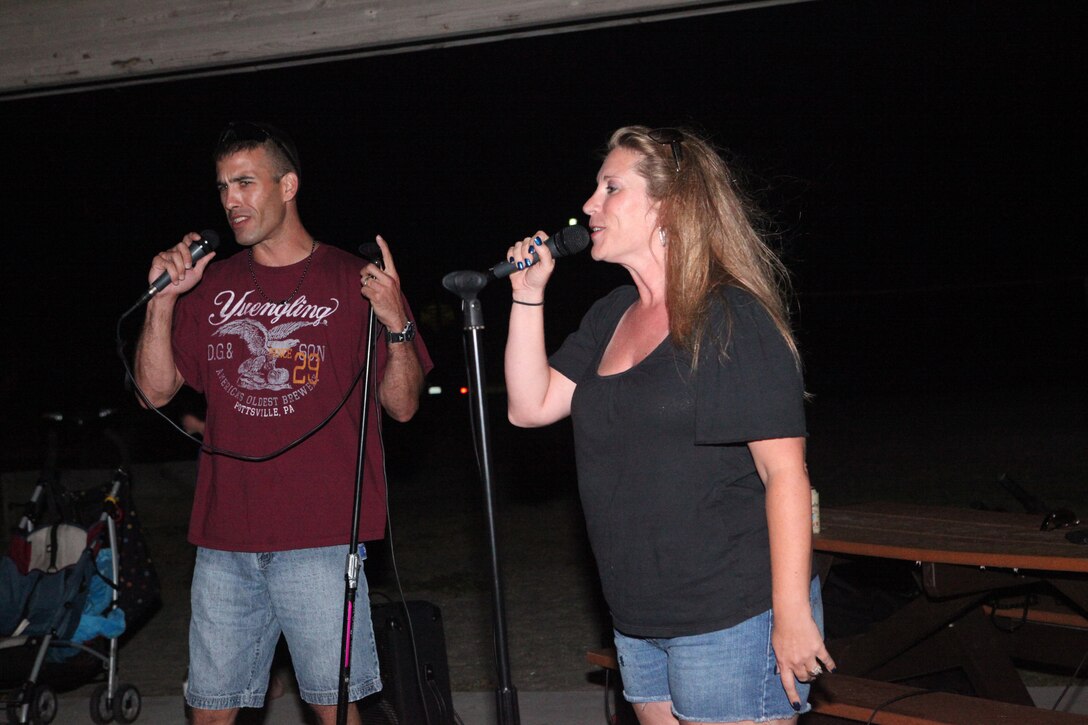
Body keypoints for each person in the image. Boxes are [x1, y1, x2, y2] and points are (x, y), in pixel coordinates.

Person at [503, 125, 832, 725]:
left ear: (670, 206)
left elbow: (784, 473)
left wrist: (791, 617)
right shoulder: (611, 315)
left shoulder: (730, 316)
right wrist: (528, 297)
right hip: (638, 618)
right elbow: (530, 406)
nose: (589, 205)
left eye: (611, 188)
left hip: (731, 612)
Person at [134, 121, 432, 725]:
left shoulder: (354, 281)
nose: (230, 200)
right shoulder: (209, 286)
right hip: (223, 538)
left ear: (288, 185)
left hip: (321, 538)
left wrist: (397, 321)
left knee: (336, 708)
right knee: (210, 711)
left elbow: (402, 405)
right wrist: (164, 299)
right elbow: (153, 392)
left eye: (245, 182)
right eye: (222, 187)